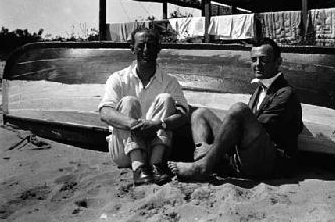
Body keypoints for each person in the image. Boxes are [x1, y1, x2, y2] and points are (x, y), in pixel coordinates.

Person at [168, 37, 303, 180]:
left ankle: (204, 165)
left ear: (278, 62)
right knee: (200, 114)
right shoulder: (260, 89)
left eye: (263, 60)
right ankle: (202, 160)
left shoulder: (285, 93)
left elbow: (258, 131)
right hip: (247, 154)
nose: (257, 65)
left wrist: (212, 147)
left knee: (239, 109)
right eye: (254, 60)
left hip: (270, 163)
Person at [99, 27, 189, 186]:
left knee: (166, 99)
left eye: (151, 45)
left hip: (158, 147)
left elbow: (183, 115)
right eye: (141, 46)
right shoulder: (118, 78)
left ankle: (156, 165)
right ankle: (138, 167)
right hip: (124, 151)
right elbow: (105, 112)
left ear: (158, 49)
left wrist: (158, 124)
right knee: (128, 102)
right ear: (132, 48)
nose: (146, 50)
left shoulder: (170, 82)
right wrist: (133, 124)